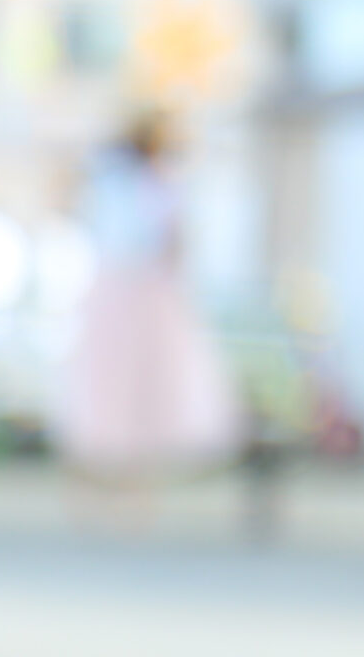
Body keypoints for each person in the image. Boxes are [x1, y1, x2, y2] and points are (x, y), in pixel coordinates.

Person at [51, 113, 242, 520]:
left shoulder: (132, 181)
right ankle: (110, 487)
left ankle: (126, 489)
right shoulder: (128, 181)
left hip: (137, 293)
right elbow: (164, 240)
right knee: (120, 391)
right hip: (132, 292)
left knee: (133, 394)